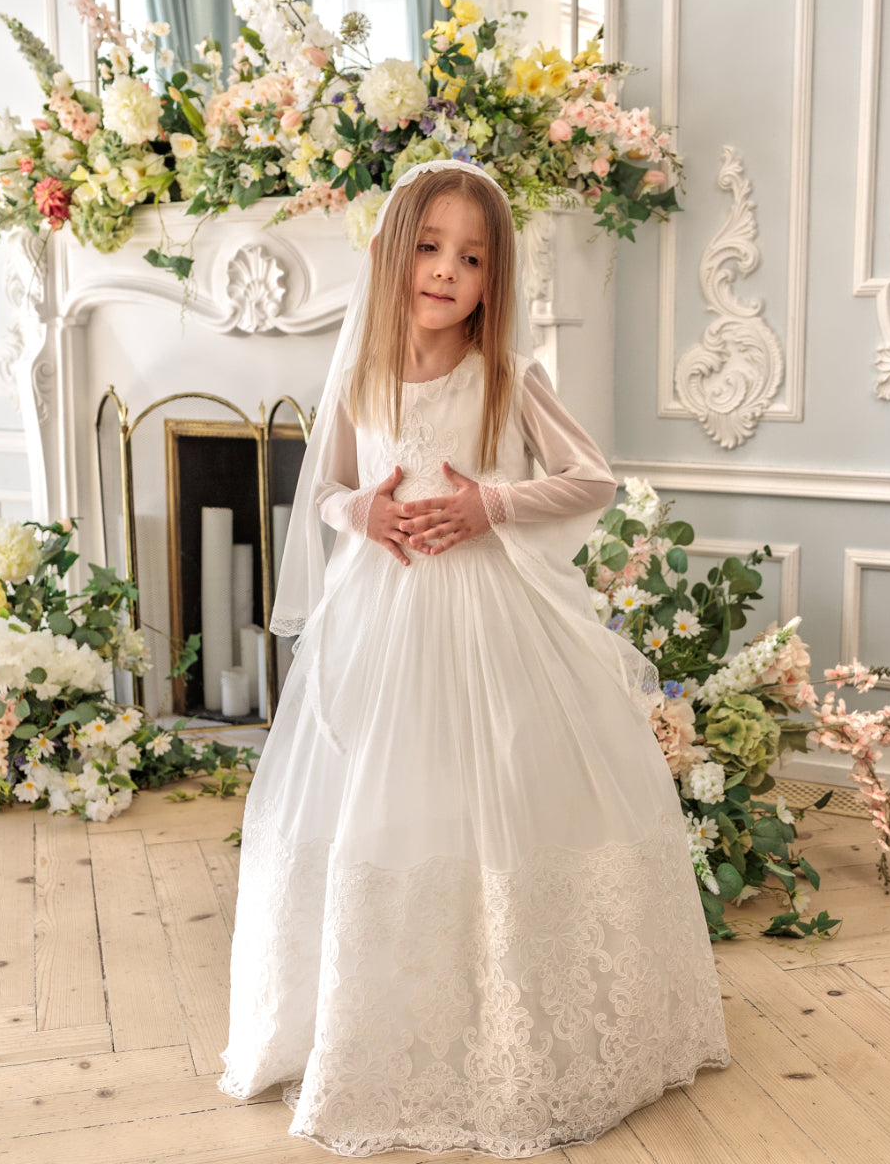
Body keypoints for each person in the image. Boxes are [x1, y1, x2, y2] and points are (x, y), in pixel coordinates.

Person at [217, 158, 730, 1157]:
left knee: (493, 795)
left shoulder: (506, 377)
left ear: (494, 279)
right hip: (379, 618)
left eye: (472, 257)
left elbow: (591, 479)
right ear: (394, 251)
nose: (447, 271)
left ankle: (509, 1022)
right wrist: (361, 509)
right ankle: (386, 1015)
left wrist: (489, 503)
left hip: (490, 619)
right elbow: (324, 487)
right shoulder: (359, 368)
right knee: (386, 802)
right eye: (430, 247)